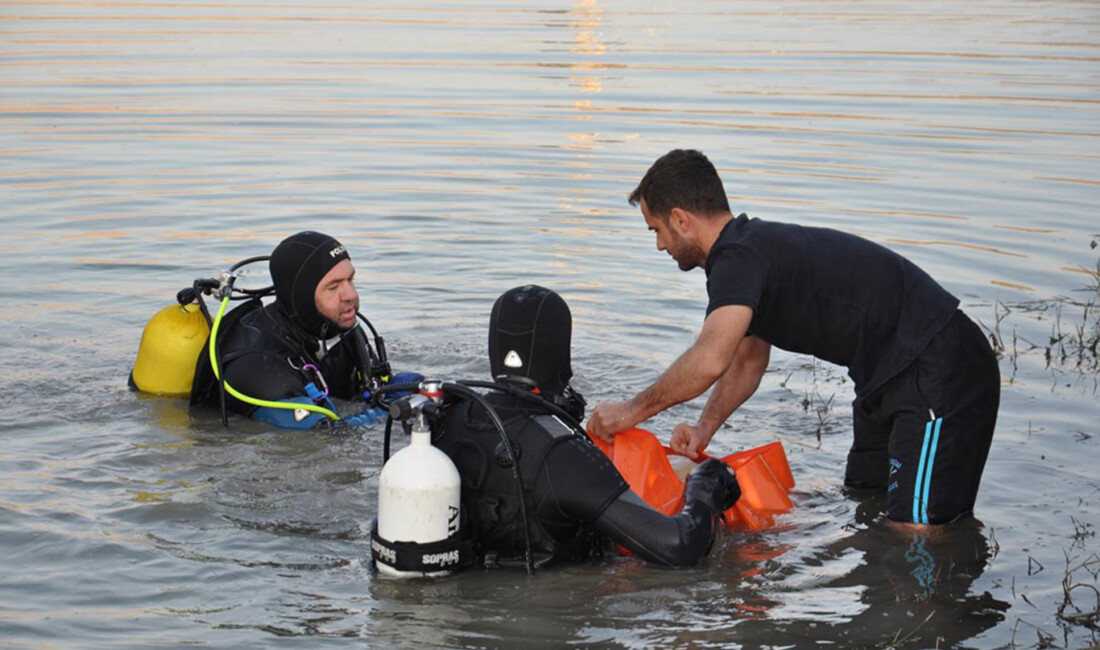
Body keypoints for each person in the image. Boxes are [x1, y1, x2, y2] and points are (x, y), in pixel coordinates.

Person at [586, 149, 1000, 526]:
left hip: (936, 369)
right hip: (886, 380)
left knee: (915, 529)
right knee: (865, 502)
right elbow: (747, 361)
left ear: (680, 219)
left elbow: (710, 359)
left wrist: (630, 412)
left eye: (656, 230)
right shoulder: (746, 253)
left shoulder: (739, 257)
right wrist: (704, 428)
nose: (659, 245)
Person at [431, 285, 742, 569]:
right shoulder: (564, 454)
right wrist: (705, 489)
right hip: (549, 615)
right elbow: (678, 547)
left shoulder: (445, 419)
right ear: (560, 353)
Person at [190, 231, 417, 429]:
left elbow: (371, 390)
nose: (351, 295)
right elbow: (320, 434)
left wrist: (413, 389)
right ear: (303, 295)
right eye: (334, 286)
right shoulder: (254, 362)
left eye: (350, 280)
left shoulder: (338, 326)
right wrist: (401, 409)